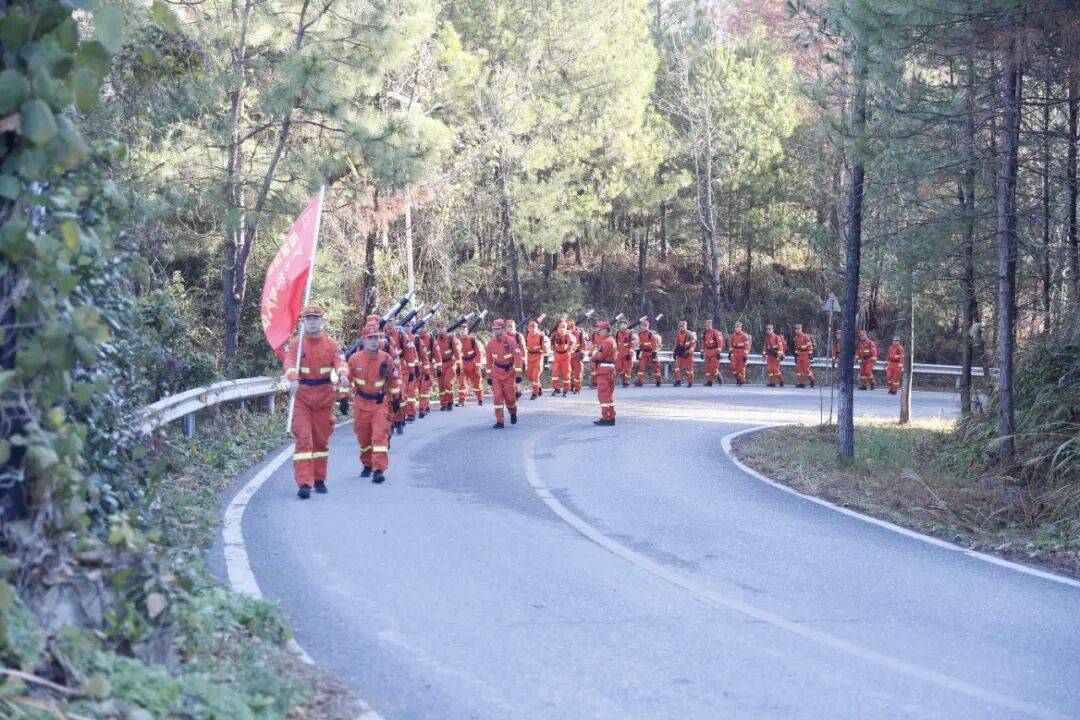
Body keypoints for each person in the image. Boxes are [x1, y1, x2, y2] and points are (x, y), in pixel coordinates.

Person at [284, 306, 348, 499]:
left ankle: (319, 478)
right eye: (308, 319)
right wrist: (293, 378)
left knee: (321, 441)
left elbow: (341, 362)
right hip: (302, 398)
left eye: (315, 318)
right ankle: (304, 482)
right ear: (303, 322)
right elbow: (288, 362)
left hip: (324, 399)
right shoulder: (296, 345)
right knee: (303, 438)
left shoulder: (332, 345)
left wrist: (343, 375)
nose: (312, 322)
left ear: (321, 321)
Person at [347, 322, 400, 484]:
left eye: (376, 338)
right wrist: (342, 397)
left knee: (379, 437)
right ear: (364, 340)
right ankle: (367, 464)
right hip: (361, 404)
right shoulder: (354, 359)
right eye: (370, 338)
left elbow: (393, 380)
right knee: (364, 438)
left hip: (380, 404)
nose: (373, 341)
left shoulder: (386, 358)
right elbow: (346, 380)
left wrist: (396, 398)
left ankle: (378, 469)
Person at [485, 319, 523, 429]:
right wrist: (488, 376)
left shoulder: (511, 341)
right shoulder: (490, 343)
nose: (495, 331)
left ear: (502, 329)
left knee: (510, 399)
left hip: (509, 374)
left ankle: (512, 411)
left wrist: (518, 374)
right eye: (494, 329)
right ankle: (500, 421)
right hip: (496, 373)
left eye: (498, 329)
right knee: (497, 398)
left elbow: (517, 358)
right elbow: (488, 361)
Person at [589, 321, 617, 425]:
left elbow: (600, 356)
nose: (599, 332)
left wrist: (594, 354)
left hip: (604, 371)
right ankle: (610, 416)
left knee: (603, 395)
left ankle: (607, 418)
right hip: (609, 370)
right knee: (607, 395)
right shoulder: (611, 340)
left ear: (605, 330)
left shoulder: (606, 342)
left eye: (600, 330)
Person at [456, 324, 486, 406]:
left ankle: (480, 399)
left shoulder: (472, 340)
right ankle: (462, 400)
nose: (462, 331)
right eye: (461, 329)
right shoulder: (457, 341)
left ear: (467, 330)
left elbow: (479, 353)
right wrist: (458, 366)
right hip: (463, 364)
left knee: (477, 384)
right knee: (462, 383)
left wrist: (478, 366)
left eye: (464, 329)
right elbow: (456, 354)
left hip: (473, 364)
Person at [433, 320, 461, 410]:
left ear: (446, 328)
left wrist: (459, 367)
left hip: (450, 364)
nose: (440, 329)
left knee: (448, 383)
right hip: (440, 365)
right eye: (438, 327)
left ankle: (450, 402)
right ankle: (443, 404)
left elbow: (457, 354)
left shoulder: (451, 339)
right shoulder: (434, 340)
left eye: (442, 327)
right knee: (441, 386)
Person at [524, 319, 550, 399]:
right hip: (529, 357)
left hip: (538, 357)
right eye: (530, 328)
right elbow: (523, 345)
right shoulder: (526, 335)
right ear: (528, 328)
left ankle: (535, 393)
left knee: (535, 376)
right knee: (529, 376)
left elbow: (546, 350)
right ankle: (539, 387)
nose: (532, 330)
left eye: (533, 328)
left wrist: (544, 347)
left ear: (536, 328)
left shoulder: (541, 336)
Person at [415, 322, 435, 418]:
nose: (420, 329)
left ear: (426, 327)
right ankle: (426, 405)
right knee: (420, 387)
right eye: (419, 327)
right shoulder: (414, 339)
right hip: (418, 367)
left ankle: (422, 408)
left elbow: (437, 354)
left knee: (424, 387)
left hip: (429, 366)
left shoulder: (431, 339)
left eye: (422, 327)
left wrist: (438, 368)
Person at [635, 318, 661, 387]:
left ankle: (658, 381)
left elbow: (655, 344)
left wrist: (654, 355)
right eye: (643, 325)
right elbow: (639, 344)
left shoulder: (651, 334)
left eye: (646, 326)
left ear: (648, 326)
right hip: (644, 353)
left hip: (652, 353)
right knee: (641, 368)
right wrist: (637, 353)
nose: (644, 327)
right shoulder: (640, 334)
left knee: (656, 368)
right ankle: (639, 382)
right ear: (641, 326)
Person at [550, 320, 574, 396]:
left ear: (565, 328)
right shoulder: (554, 334)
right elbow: (550, 340)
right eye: (559, 327)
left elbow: (570, 347)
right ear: (557, 328)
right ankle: (556, 388)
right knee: (554, 373)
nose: (561, 329)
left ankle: (565, 390)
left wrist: (563, 344)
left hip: (565, 356)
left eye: (563, 327)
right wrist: (552, 343)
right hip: (557, 355)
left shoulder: (568, 336)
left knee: (566, 374)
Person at [505, 319, 527, 400]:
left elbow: (523, 349)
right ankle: (514, 392)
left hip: (517, 360)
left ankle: (516, 392)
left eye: (511, 326)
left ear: (514, 327)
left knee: (515, 376)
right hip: (507, 360)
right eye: (508, 326)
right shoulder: (503, 336)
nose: (510, 328)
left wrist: (524, 360)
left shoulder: (518, 336)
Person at [672, 320, 697, 387]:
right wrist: (674, 352)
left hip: (688, 353)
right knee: (677, 367)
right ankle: (678, 381)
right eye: (680, 326)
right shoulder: (678, 334)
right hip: (680, 352)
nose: (681, 327)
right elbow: (676, 343)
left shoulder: (690, 334)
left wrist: (690, 351)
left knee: (689, 369)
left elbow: (693, 344)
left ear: (686, 326)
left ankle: (690, 382)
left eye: (683, 326)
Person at [701, 319, 724, 386]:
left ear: (711, 325)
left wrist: (719, 352)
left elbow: (720, 342)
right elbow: (703, 343)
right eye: (706, 325)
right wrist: (702, 352)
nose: (707, 326)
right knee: (707, 367)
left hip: (714, 352)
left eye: (708, 325)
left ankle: (719, 376)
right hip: (707, 352)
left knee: (714, 367)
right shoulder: (705, 333)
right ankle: (709, 381)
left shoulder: (715, 332)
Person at [792, 323, 816, 388]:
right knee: (798, 369)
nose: (797, 330)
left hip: (806, 355)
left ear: (801, 329)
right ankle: (801, 383)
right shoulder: (796, 338)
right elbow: (796, 348)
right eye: (796, 329)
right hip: (799, 355)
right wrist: (795, 356)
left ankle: (812, 379)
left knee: (806, 369)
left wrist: (810, 356)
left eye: (798, 329)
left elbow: (810, 346)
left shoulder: (805, 336)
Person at [728, 321, 752, 385]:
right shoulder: (733, 335)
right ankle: (737, 378)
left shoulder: (744, 335)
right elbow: (731, 345)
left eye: (737, 327)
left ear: (740, 328)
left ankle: (741, 380)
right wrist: (730, 353)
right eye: (735, 327)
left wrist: (745, 355)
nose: (736, 328)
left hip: (742, 353)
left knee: (741, 368)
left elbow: (747, 346)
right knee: (733, 366)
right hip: (735, 353)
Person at [614, 319, 635, 388]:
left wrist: (630, 352)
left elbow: (632, 344)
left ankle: (626, 382)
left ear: (626, 325)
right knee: (618, 367)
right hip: (620, 353)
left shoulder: (630, 333)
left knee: (627, 369)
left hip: (627, 353)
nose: (622, 326)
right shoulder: (618, 333)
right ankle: (624, 377)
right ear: (619, 326)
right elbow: (615, 343)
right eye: (621, 324)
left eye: (624, 324)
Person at [568, 320, 587, 394]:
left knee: (578, 373)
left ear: (574, 327)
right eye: (569, 328)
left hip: (577, 357)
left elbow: (584, 346)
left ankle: (577, 388)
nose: (570, 330)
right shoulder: (567, 334)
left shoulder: (580, 334)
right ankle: (571, 386)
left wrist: (582, 354)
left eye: (571, 328)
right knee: (569, 373)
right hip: (569, 357)